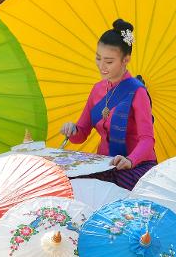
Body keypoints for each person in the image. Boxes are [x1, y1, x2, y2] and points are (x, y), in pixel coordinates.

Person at [60, 19, 156, 190]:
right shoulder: (97, 89)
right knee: (70, 183)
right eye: (98, 59)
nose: (102, 66)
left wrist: (130, 160)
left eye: (109, 61)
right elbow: (81, 133)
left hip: (135, 167)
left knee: (105, 190)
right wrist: (72, 129)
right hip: (104, 164)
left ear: (126, 59)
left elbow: (147, 140)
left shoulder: (138, 92)